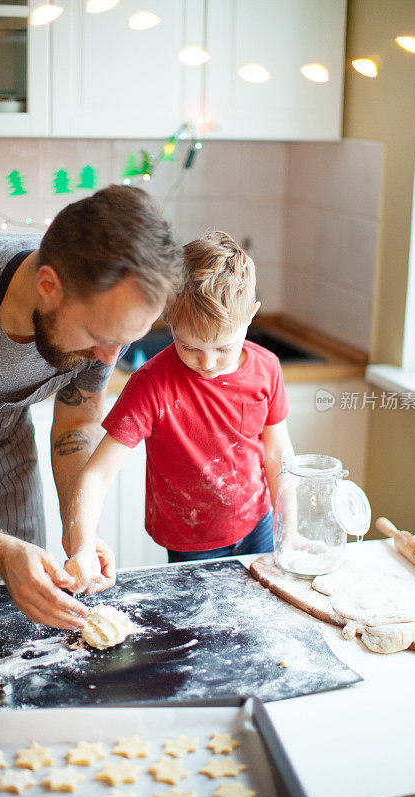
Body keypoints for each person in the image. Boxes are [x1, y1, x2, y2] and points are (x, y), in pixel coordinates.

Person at [0, 185, 183, 629]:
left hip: (2, 476)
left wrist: (80, 529)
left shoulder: (104, 319)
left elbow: (78, 418)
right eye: (98, 336)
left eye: (124, 340)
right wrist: (0, 551)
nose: (110, 359)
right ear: (48, 285)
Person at [63, 231, 294, 592]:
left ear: (250, 316)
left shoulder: (267, 368)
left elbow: (278, 453)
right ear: (168, 317)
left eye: (223, 348)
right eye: (188, 346)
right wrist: (81, 544)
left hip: (260, 524)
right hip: (191, 540)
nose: (206, 362)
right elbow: (97, 475)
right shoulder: (153, 384)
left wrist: (289, 528)